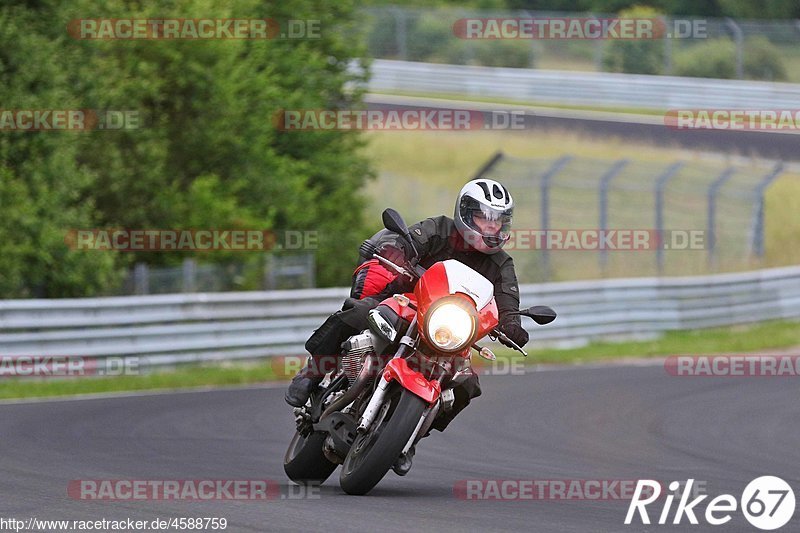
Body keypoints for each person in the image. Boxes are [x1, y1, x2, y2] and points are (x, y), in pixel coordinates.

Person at [285, 177, 529, 431]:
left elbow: (508, 300)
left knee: (468, 386)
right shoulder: (440, 228)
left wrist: (513, 325)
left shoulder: (502, 264)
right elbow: (408, 240)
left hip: (451, 329)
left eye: (497, 220)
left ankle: (411, 433)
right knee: (358, 313)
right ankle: (311, 373)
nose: (491, 227)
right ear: (466, 213)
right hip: (406, 301)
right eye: (484, 218)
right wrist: (396, 251)